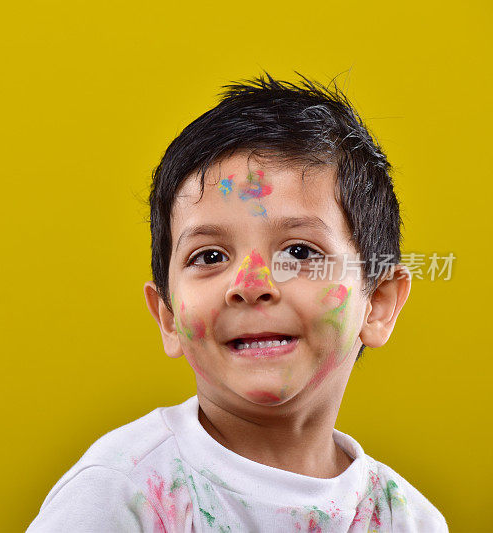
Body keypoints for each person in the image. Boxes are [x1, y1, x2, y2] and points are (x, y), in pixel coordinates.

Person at [26, 74, 448, 532]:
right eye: (209, 256)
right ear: (167, 316)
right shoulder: (121, 493)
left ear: (378, 303)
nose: (250, 284)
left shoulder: (407, 519)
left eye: (299, 252)